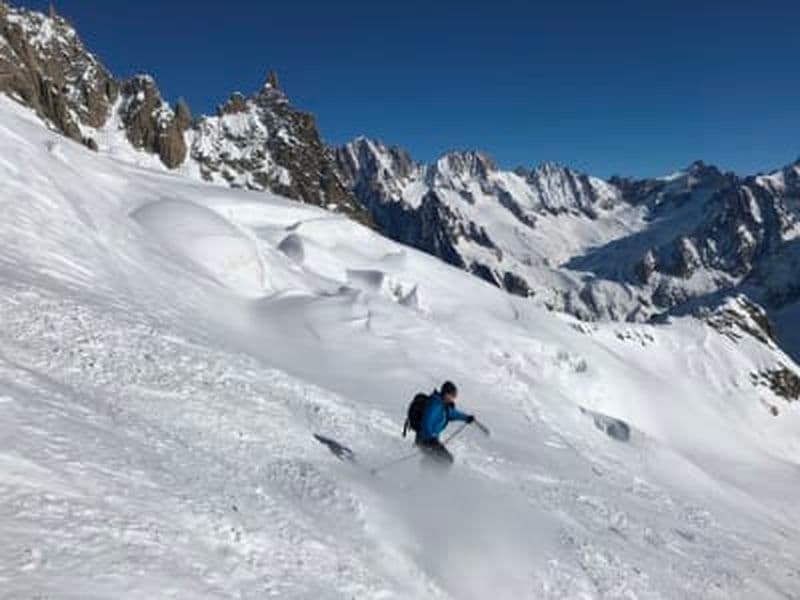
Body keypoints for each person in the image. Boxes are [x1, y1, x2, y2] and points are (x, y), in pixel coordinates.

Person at [415, 381, 475, 466]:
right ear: (446, 394)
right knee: (447, 460)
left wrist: (466, 418)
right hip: (425, 439)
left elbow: (454, 413)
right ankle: (429, 477)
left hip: (431, 440)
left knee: (433, 460)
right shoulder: (435, 405)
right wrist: (431, 437)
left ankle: (423, 476)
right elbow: (426, 422)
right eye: (453, 395)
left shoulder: (444, 405)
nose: (454, 398)